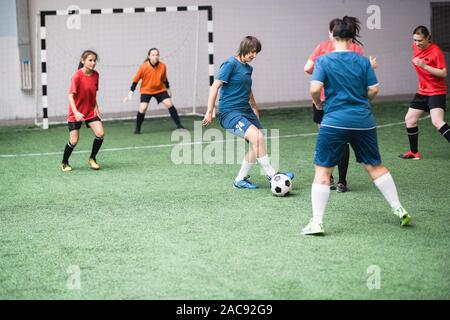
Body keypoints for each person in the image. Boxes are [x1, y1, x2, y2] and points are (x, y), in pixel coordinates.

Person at [302, 19, 410, 235]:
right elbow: (374, 89)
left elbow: (315, 89)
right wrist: (363, 102)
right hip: (363, 121)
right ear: (352, 39)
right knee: (375, 166)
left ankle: (317, 222)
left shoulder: (323, 60)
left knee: (323, 171)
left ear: (333, 37)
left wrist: (319, 103)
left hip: (333, 121)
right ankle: (399, 209)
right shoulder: (363, 61)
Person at [202, 36, 294, 189]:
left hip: (245, 110)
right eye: (252, 52)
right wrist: (209, 111)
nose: (254, 55)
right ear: (244, 48)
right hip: (229, 113)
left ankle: (239, 180)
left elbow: (247, 88)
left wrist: (255, 107)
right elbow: (215, 86)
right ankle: (273, 175)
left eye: (256, 52)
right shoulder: (230, 64)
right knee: (257, 137)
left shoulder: (248, 68)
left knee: (257, 141)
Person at [304, 16, 378, 193]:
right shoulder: (355, 49)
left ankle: (327, 178)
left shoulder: (323, 48)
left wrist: (323, 75)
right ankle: (341, 181)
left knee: (329, 139)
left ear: (333, 33)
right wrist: (370, 66)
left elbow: (307, 68)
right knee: (343, 142)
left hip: (324, 100)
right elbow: (363, 72)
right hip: (349, 104)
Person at [399, 26, 448, 160]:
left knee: (437, 121)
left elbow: (443, 73)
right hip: (422, 91)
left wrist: (425, 66)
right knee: (410, 119)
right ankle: (414, 152)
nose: (417, 43)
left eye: (420, 40)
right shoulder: (415, 47)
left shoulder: (436, 51)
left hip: (436, 91)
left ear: (427, 38)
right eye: (414, 40)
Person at [61, 50, 104, 172]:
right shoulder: (77, 76)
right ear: (82, 61)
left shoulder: (96, 75)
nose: (93, 62)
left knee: (100, 133)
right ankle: (64, 162)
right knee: (74, 140)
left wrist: (96, 107)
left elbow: (93, 94)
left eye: (94, 60)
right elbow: (70, 96)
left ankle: (92, 158)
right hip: (76, 112)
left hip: (90, 111)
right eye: (90, 60)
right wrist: (75, 112)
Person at [123, 48, 184, 133]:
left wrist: (168, 88)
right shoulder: (143, 67)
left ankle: (179, 125)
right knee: (143, 108)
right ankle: (137, 128)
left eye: (157, 55)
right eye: (153, 55)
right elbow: (136, 80)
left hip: (160, 89)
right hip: (146, 90)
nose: (155, 57)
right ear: (149, 56)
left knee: (169, 104)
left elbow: (164, 79)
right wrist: (131, 91)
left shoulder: (163, 66)